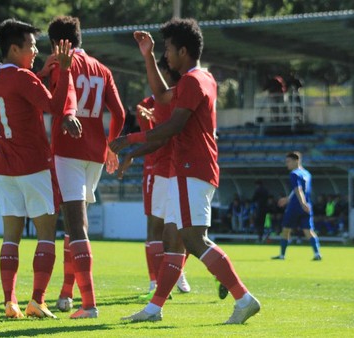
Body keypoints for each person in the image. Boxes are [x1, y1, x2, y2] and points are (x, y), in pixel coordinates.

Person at [111, 18, 260, 324]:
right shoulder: (198, 79)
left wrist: (131, 139)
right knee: (177, 243)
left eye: (167, 49)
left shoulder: (193, 82)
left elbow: (173, 126)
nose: (166, 55)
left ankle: (243, 297)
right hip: (192, 168)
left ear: (183, 50)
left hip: (192, 167)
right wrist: (148, 56)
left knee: (193, 239)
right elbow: (163, 98)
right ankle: (154, 309)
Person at [0, 18, 81, 319]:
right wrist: (64, 69)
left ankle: (9, 302)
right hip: (33, 165)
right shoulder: (24, 79)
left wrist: (40, 73)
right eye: (31, 46)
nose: (36, 51)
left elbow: (22, 88)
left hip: (5, 167)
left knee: (10, 237)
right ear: (14, 49)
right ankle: (38, 300)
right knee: (45, 235)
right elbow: (54, 106)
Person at [40, 15, 125, 319]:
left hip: (69, 150)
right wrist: (112, 145)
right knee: (74, 224)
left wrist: (68, 113)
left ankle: (89, 305)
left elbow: (63, 97)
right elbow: (120, 112)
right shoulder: (102, 69)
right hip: (96, 154)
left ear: (56, 43)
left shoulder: (60, 64)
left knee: (76, 226)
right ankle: (66, 292)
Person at [132, 56, 191, 301]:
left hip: (179, 169)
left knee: (185, 230)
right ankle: (155, 280)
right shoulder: (145, 105)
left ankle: (177, 272)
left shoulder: (183, 97)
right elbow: (153, 137)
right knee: (155, 227)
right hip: (156, 169)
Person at [272, 152, 322, 261]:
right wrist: (289, 199)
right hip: (307, 205)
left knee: (286, 230)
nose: (287, 164)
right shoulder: (307, 174)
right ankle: (317, 253)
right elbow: (300, 190)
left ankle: (282, 255)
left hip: (295, 206)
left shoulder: (294, 174)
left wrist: (301, 203)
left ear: (296, 160)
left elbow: (298, 189)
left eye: (288, 161)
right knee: (308, 230)